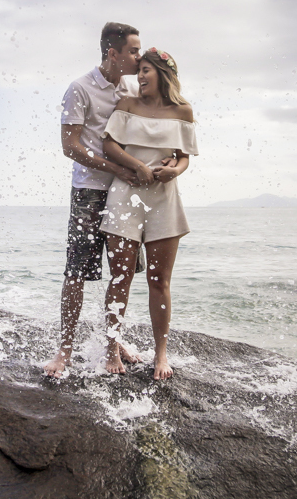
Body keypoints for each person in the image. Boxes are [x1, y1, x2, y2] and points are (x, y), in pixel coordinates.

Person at [43, 22, 145, 379]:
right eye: (133, 50)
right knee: (76, 273)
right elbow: (70, 146)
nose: (139, 56)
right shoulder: (80, 88)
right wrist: (116, 167)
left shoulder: (135, 86)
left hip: (126, 193)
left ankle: (113, 347)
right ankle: (65, 350)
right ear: (112, 53)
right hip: (89, 192)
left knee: (123, 275)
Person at [99, 47, 198, 380]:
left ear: (163, 74)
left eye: (146, 71)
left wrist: (176, 171)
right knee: (121, 276)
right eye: (138, 70)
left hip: (164, 198)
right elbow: (109, 145)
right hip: (126, 195)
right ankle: (112, 349)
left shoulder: (183, 112)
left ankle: (161, 354)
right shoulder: (127, 105)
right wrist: (138, 166)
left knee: (160, 281)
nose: (139, 76)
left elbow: (184, 157)